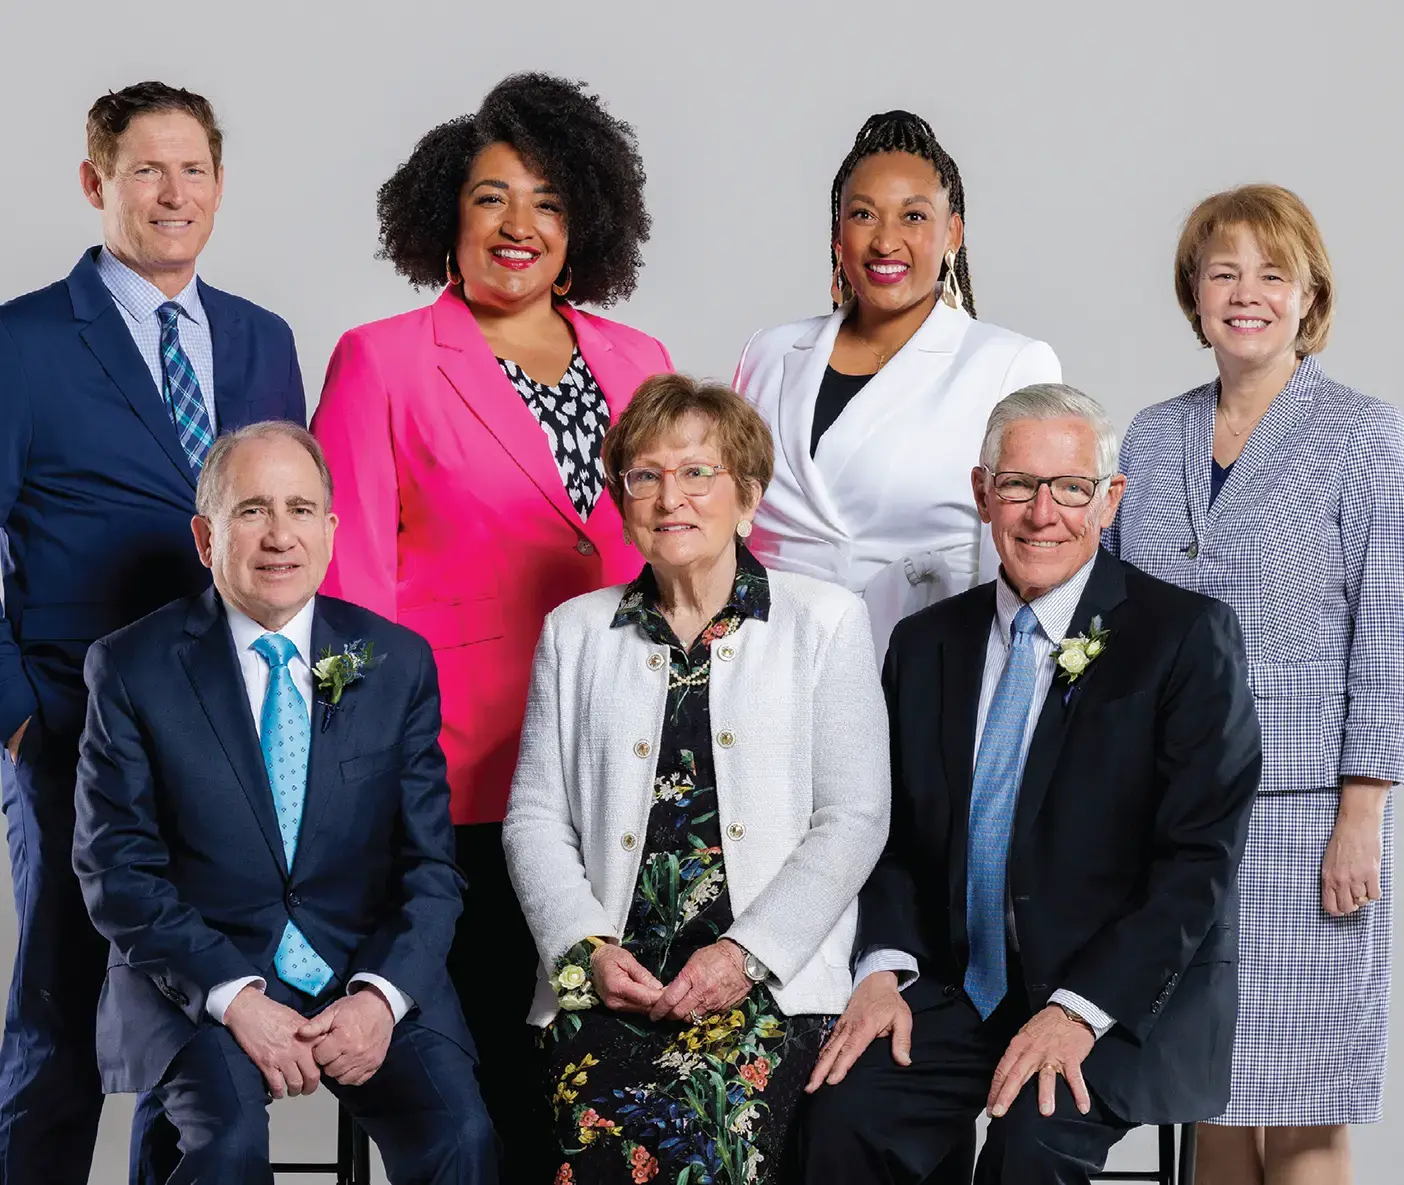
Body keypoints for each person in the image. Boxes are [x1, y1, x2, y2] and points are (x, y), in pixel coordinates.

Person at [310, 73, 668, 1178]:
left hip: (618, 775)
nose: (522, 227)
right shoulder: (382, 360)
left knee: (611, 1089)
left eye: (551, 203)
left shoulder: (639, 363)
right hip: (457, 779)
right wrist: (369, 787)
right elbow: (351, 596)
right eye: (492, 198)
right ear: (443, 218)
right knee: (495, 1091)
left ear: (586, 226)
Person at [800, 384, 1263, 1184]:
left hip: (1117, 1000)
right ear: (983, 494)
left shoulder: (1185, 637)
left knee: (1028, 1147)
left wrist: (1078, 1010)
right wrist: (880, 969)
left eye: (1070, 488)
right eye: (1018, 484)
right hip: (954, 988)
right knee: (841, 1114)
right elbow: (890, 836)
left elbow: (1197, 867)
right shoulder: (924, 644)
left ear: (1109, 500)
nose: (1042, 513)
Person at [0, 81, 305, 1184]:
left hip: (223, 735)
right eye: (145, 170)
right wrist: (21, 723)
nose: (173, 194)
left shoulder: (263, 341)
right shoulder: (22, 343)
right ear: (96, 183)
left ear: (219, 185)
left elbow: (287, 534)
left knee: (187, 1015)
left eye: (193, 170)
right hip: (71, 729)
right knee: (64, 1004)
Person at [71, 422, 496, 1185]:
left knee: (461, 1134)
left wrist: (381, 996)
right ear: (206, 537)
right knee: (227, 1146)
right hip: (203, 974)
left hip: (361, 968)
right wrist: (235, 998)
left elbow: (432, 867)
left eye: (300, 510)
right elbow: (117, 871)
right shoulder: (131, 667)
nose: (279, 536)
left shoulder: (395, 662)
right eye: (251, 511)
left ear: (330, 533)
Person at [502, 374, 890, 1183]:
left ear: (747, 495)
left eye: (696, 472)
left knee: (704, 1144)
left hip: (760, 987)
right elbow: (535, 818)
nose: (669, 495)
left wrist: (743, 955)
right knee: (594, 1151)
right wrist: (586, 951)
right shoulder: (574, 632)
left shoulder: (825, 621)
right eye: (645, 475)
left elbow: (854, 817)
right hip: (613, 986)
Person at [1106, 185, 1404, 1185]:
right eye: (1223, 272)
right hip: (1173, 818)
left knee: (1307, 1105)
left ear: (1309, 295)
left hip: (1307, 815)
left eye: (1272, 274)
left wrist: (1362, 813)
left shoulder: (1363, 435)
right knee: (1211, 1096)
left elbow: (1390, 633)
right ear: (1192, 293)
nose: (1247, 294)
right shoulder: (1148, 438)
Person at [733, 110, 1062, 659]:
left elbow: (1027, 555)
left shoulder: (1009, 364)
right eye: (864, 214)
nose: (886, 241)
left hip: (925, 670)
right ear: (838, 233)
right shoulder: (767, 352)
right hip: (764, 665)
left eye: (913, 216)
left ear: (951, 232)